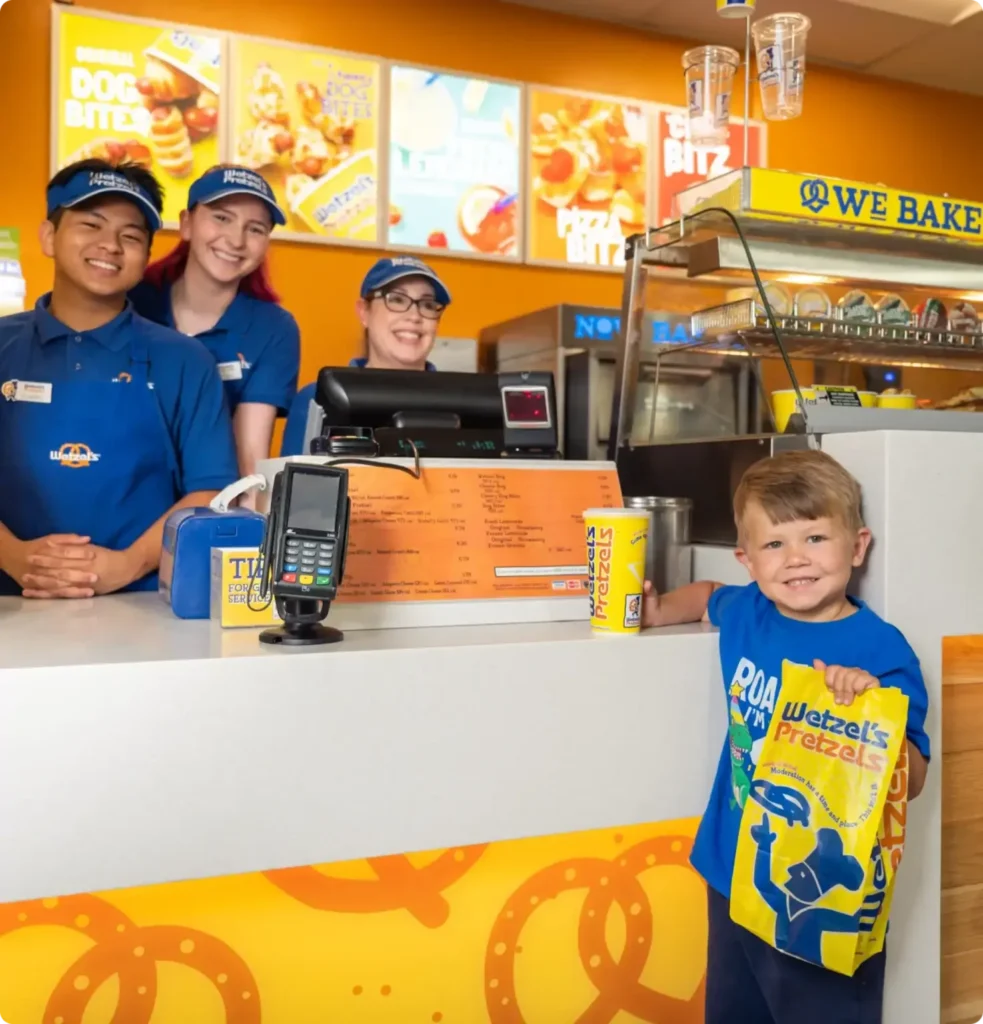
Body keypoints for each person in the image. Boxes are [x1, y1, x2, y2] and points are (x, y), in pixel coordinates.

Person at [641, 449, 930, 1024]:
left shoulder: (880, 650)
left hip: (823, 902)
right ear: (747, 560)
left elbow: (914, 779)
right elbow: (703, 594)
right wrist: (655, 612)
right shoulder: (749, 610)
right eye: (775, 545)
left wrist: (871, 710)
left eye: (816, 538)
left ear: (858, 546)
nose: (796, 559)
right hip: (731, 871)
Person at [0, 159, 238, 598]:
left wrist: (127, 565)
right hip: (9, 606)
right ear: (49, 236)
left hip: (144, 607)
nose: (110, 245)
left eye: (130, 236)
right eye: (91, 225)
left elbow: (210, 490)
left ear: (146, 256)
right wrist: (15, 557)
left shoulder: (186, 360)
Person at [131, 165, 299, 481]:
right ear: (186, 223)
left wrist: (249, 523)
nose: (236, 240)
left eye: (255, 229)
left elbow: (249, 457)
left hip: (211, 505)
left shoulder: (274, 329)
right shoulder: (131, 304)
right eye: (221, 218)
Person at [280, 255, 450, 457]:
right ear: (364, 312)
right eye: (396, 299)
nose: (414, 316)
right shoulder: (316, 399)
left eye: (428, 305)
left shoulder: (460, 402)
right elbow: (294, 484)